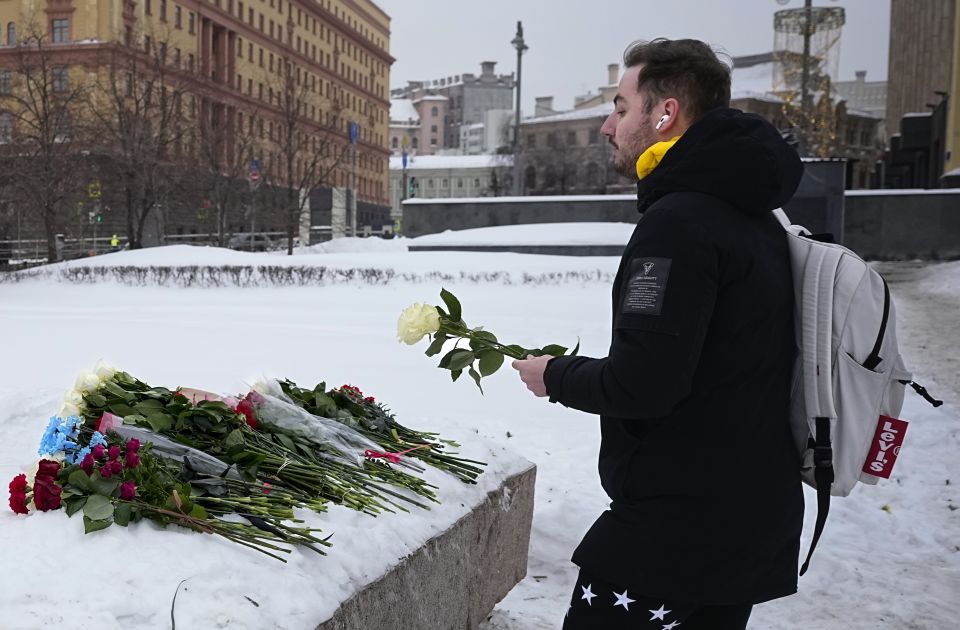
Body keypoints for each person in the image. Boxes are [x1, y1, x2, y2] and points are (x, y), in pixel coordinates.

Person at [511, 38, 805, 630]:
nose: (606, 126)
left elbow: (645, 383)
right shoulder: (756, 216)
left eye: (620, 107)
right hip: (745, 518)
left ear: (664, 113)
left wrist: (556, 375)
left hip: (673, 533)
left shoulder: (681, 222)